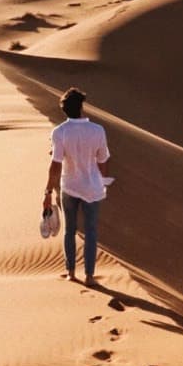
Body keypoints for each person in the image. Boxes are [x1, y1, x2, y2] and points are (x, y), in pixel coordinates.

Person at [43, 87, 110, 286]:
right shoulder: (98, 130)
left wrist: (47, 191)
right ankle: (89, 276)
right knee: (91, 232)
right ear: (81, 107)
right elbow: (103, 159)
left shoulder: (59, 132)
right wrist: (102, 181)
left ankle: (71, 272)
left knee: (69, 231)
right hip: (92, 188)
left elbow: (55, 164)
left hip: (69, 186)